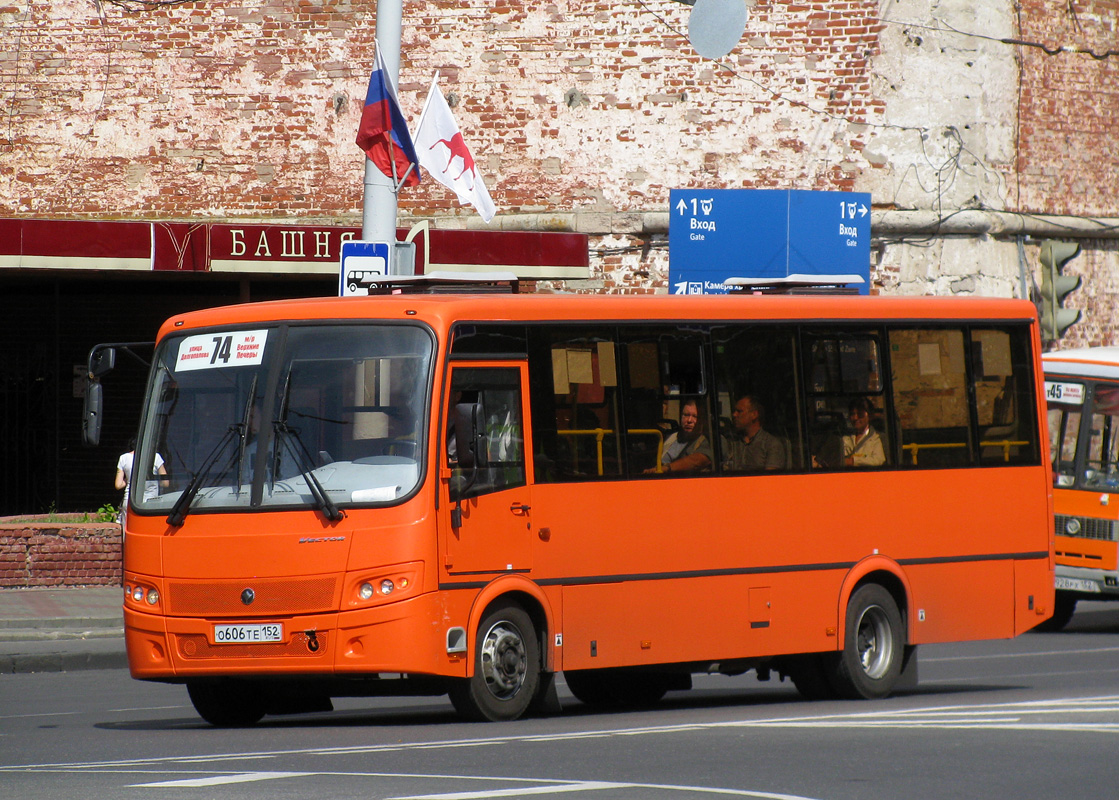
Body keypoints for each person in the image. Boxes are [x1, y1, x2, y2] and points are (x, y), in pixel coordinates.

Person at [647, 398, 712, 474]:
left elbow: (698, 460)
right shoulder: (672, 437)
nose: (689, 420)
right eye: (686, 415)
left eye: (695, 416)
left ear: (702, 420)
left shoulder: (709, 439)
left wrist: (666, 468)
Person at [723, 394, 787, 471]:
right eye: (734, 411)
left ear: (754, 415)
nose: (734, 415)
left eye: (739, 411)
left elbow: (771, 478)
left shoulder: (771, 444)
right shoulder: (731, 442)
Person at [114, 438, 167, 527]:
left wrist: (128, 479)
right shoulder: (156, 457)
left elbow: (118, 485)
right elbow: (165, 483)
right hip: (151, 504)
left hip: (130, 503)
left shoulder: (124, 458)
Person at [843, 397, 885, 467]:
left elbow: (878, 460)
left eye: (860, 414)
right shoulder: (845, 437)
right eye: (852, 414)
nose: (856, 418)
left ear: (869, 416)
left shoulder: (877, 438)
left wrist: (853, 461)